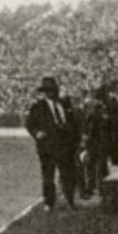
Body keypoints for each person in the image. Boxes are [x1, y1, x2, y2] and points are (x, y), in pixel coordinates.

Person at [25, 76, 80, 210]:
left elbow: (72, 122)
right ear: (44, 92)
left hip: (64, 146)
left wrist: (72, 137)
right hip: (47, 146)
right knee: (48, 176)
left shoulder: (64, 105)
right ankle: (49, 202)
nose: (51, 93)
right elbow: (30, 124)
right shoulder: (38, 107)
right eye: (48, 90)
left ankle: (70, 199)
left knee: (67, 174)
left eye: (53, 90)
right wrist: (37, 133)